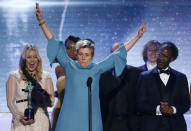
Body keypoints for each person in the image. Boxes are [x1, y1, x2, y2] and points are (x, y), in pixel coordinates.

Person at [35, 3, 147, 131]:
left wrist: (137, 37)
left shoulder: (97, 68)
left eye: (87, 55)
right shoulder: (69, 65)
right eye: (81, 54)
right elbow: (53, 41)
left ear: (92, 56)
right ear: (77, 54)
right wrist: (41, 21)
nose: (83, 57)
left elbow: (119, 53)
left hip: (90, 117)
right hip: (69, 116)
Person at [136, 42, 190, 131]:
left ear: (172, 59)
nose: (160, 58)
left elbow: (186, 104)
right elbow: (139, 103)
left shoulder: (181, 77)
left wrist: (172, 110)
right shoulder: (144, 76)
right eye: (159, 54)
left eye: (165, 56)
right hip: (150, 127)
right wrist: (158, 109)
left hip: (176, 126)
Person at [6, 45, 54, 131]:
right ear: (24, 60)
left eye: (35, 57)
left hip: (41, 121)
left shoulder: (46, 77)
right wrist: (18, 116)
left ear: (38, 60)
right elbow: (10, 102)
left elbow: (51, 102)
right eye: (29, 57)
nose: (32, 60)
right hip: (21, 121)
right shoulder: (14, 76)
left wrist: (38, 95)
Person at [99, 43, 143, 131]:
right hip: (110, 123)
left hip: (131, 124)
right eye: (115, 53)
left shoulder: (137, 74)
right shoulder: (102, 75)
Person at [51, 35, 80, 131]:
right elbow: (62, 89)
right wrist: (51, 94)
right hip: (60, 108)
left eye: (74, 48)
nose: (71, 51)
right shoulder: (59, 69)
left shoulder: (83, 69)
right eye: (68, 48)